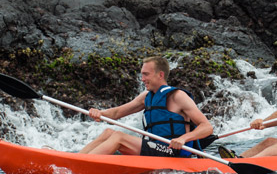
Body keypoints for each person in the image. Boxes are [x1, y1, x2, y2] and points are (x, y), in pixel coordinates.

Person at [79, 56, 213, 157]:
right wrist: (100, 113)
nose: (142, 79)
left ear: (160, 75)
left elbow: (207, 127)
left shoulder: (178, 96)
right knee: (109, 133)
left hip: (173, 151)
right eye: (142, 74)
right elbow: (117, 113)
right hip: (156, 148)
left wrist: (183, 138)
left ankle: (80, 165)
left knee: (120, 137)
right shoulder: (147, 96)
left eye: (146, 74)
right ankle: (74, 160)